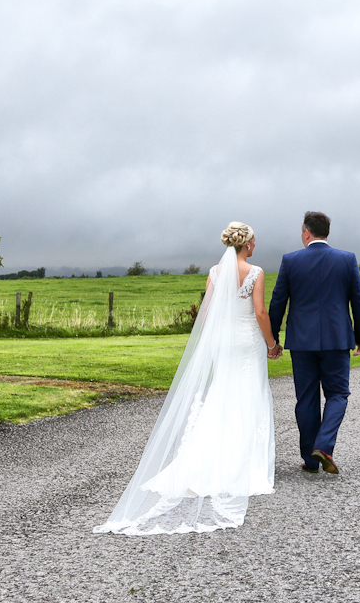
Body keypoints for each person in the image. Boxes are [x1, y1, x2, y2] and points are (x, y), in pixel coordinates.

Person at [94, 222, 279, 535]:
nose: (255, 245)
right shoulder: (256, 272)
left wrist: (209, 341)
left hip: (221, 342)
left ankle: (207, 455)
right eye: (254, 241)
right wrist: (272, 344)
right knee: (250, 394)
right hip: (247, 342)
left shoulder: (216, 272)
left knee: (222, 393)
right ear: (246, 243)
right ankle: (245, 461)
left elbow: (206, 312)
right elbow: (260, 312)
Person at [268, 211, 360, 474]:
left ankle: (311, 460)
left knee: (307, 399)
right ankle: (323, 446)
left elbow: (278, 301)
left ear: (306, 232)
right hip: (337, 340)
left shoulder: (290, 261)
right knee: (338, 394)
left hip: (301, 342)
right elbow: (358, 301)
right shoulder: (347, 259)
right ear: (327, 232)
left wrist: (273, 338)